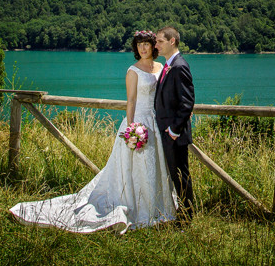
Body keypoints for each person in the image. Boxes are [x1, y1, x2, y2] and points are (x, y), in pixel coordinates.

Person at [9, 30, 178, 232]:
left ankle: (157, 206)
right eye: (139, 44)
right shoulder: (133, 71)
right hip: (139, 123)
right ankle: (140, 208)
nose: (142, 48)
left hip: (156, 122)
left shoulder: (161, 67)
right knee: (136, 166)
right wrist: (132, 128)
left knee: (155, 164)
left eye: (146, 44)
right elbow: (131, 101)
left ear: (153, 46)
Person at [154, 25, 194, 219]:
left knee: (180, 177)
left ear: (172, 41)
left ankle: (186, 218)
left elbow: (187, 103)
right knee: (175, 174)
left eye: (160, 41)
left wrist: (173, 130)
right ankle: (181, 213)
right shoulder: (169, 65)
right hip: (168, 131)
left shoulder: (179, 66)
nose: (156, 45)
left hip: (174, 134)